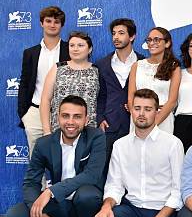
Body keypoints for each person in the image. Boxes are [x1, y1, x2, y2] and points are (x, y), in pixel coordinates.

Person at [3, 95, 106, 217]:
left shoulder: (96, 137)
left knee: (87, 194)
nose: (70, 122)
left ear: (86, 119)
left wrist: (50, 191)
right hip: (62, 205)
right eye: (65, 116)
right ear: (57, 117)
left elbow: (91, 175)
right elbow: (31, 182)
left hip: (88, 205)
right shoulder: (44, 144)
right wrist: (40, 214)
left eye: (77, 116)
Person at [88, 89, 184, 217]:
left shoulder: (173, 144)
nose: (141, 113)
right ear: (130, 110)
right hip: (132, 210)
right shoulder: (120, 145)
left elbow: (178, 191)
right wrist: (107, 207)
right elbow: (114, 185)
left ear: (157, 112)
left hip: (161, 213)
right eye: (137, 108)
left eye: (148, 109)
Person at [18, 6, 69, 155]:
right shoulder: (30, 53)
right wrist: (24, 114)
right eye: (48, 21)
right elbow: (25, 83)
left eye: (56, 22)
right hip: (35, 112)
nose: (52, 25)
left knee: (63, 158)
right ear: (41, 23)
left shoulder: (71, 50)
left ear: (62, 25)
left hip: (64, 113)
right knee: (36, 162)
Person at [96, 18, 144, 166]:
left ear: (132, 36)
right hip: (110, 124)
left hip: (136, 124)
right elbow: (100, 95)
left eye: (121, 33)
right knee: (106, 168)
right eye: (114, 33)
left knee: (136, 167)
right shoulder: (102, 64)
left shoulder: (144, 63)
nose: (116, 37)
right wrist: (100, 118)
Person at [40, 31, 99, 134]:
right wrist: (46, 131)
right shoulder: (58, 68)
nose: (75, 49)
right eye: (72, 45)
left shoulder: (97, 71)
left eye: (80, 45)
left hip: (88, 131)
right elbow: (45, 100)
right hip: (60, 129)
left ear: (89, 49)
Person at [127, 27, 181, 134]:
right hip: (139, 120)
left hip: (163, 120)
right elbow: (130, 99)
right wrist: (139, 121)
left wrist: (153, 123)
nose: (152, 43)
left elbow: (172, 101)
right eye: (149, 40)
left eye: (156, 39)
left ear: (167, 43)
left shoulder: (174, 67)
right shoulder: (137, 66)